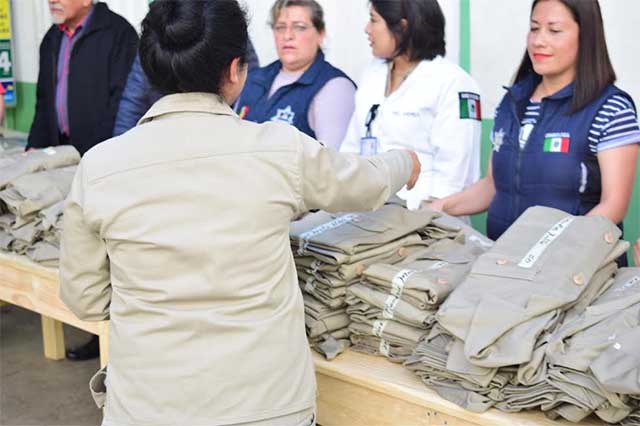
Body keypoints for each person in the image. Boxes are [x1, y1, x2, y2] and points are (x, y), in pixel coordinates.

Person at [58, 1, 420, 425]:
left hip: (147, 407)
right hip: (268, 408)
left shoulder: (100, 167)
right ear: (235, 70)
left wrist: (153, 301)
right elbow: (362, 182)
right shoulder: (277, 149)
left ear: (152, 67)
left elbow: (83, 296)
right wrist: (405, 163)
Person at [429, 0, 640, 266]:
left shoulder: (611, 108)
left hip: (574, 273)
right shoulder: (513, 102)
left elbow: (613, 205)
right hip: (505, 267)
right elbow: (493, 186)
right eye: (534, 28)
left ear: (586, 36)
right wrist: (439, 208)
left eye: (554, 30)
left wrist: (549, 253)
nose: (539, 41)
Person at [340, 0, 482, 210]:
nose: (367, 29)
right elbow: (351, 148)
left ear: (403, 27)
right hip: (366, 213)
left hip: (424, 222)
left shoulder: (453, 83)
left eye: (373, 20)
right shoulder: (373, 73)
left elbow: (454, 177)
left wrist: (420, 219)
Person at [235, 0, 355, 149]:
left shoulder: (335, 87)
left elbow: (332, 164)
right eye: (280, 27)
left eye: (299, 27)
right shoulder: (254, 78)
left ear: (320, 34)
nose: (287, 35)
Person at [26, 0, 137, 156]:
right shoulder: (51, 38)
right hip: (60, 154)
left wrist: (101, 154)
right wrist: (34, 146)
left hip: (101, 155)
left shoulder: (119, 33)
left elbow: (123, 104)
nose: (52, 1)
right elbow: (44, 101)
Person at [113, 41, 260, 137]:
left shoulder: (227, 28)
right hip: (165, 136)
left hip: (220, 134)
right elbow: (132, 104)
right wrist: (122, 149)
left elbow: (251, 89)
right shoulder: (158, 36)